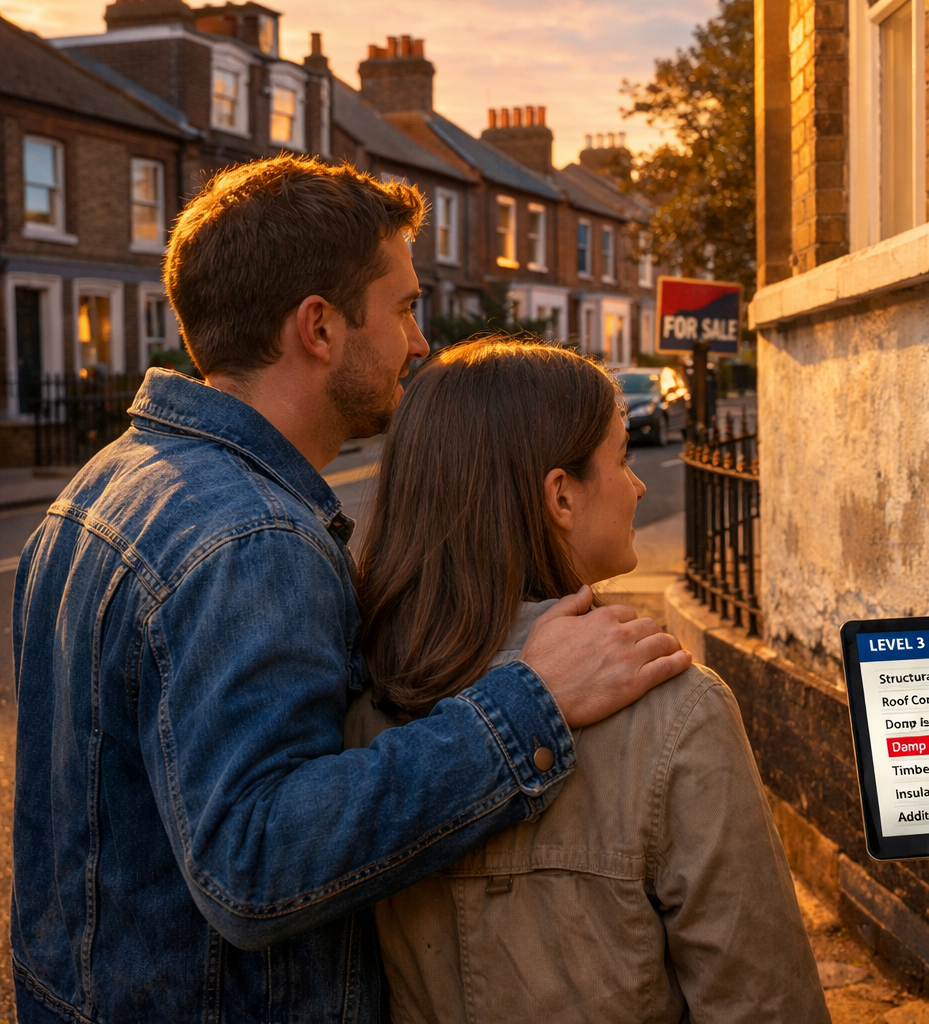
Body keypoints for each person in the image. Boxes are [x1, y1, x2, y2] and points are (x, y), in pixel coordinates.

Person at [10, 157, 690, 1023]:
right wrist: (532, 703)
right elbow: (252, 864)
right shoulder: (253, 542)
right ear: (320, 329)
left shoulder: (102, 486)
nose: (420, 343)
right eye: (405, 307)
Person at [342, 337, 829, 1024]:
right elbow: (760, 1001)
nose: (636, 484)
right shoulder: (675, 710)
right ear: (561, 495)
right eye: (622, 456)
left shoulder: (359, 712)